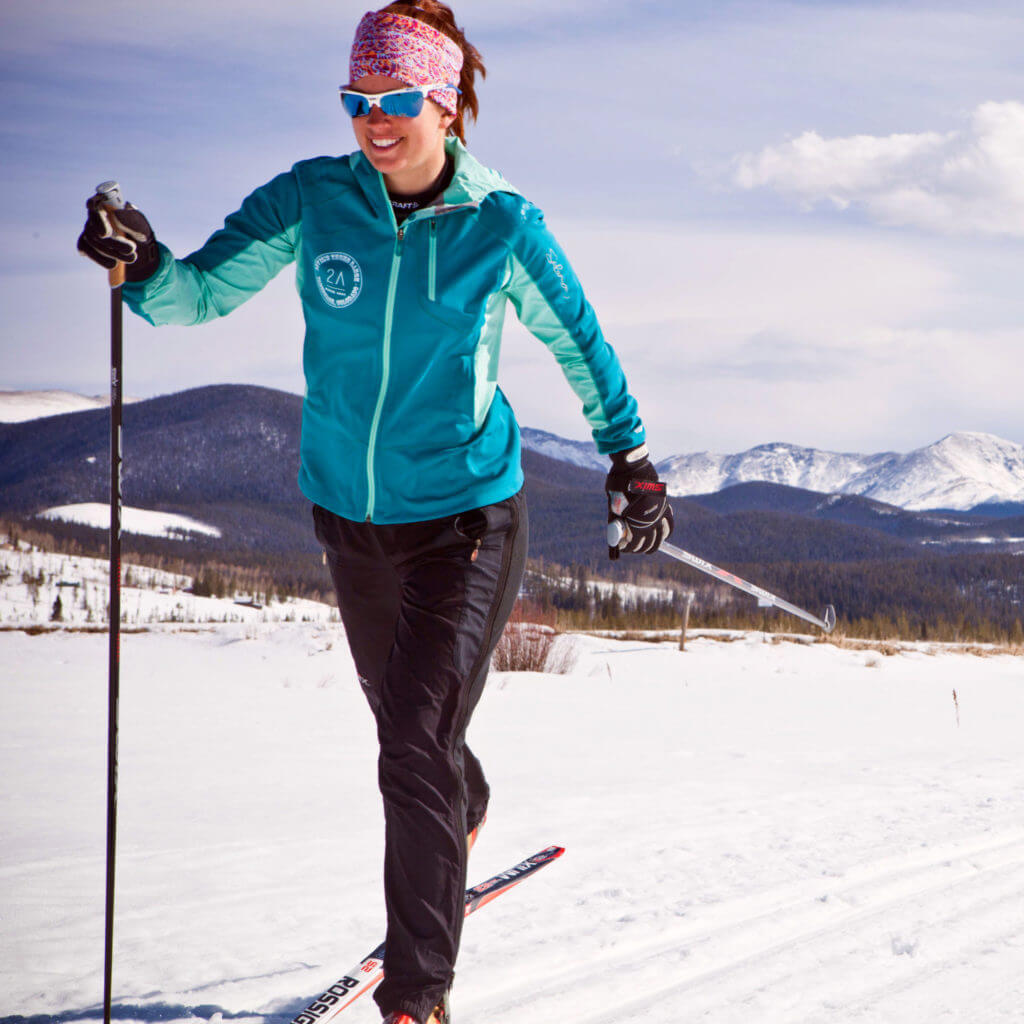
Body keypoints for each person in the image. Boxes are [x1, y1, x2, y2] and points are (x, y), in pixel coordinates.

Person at [77, 4, 673, 1021]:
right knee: (419, 742)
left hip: (467, 522)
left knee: (407, 747)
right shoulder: (314, 199)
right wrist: (142, 264)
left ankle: (418, 994)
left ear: (443, 102)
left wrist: (630, 455)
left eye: (395, 100)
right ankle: (464, 803)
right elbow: (201, 296)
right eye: (358, 101)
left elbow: (577, 337)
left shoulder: (502, 223)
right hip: (349, 521)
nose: (373, 121)